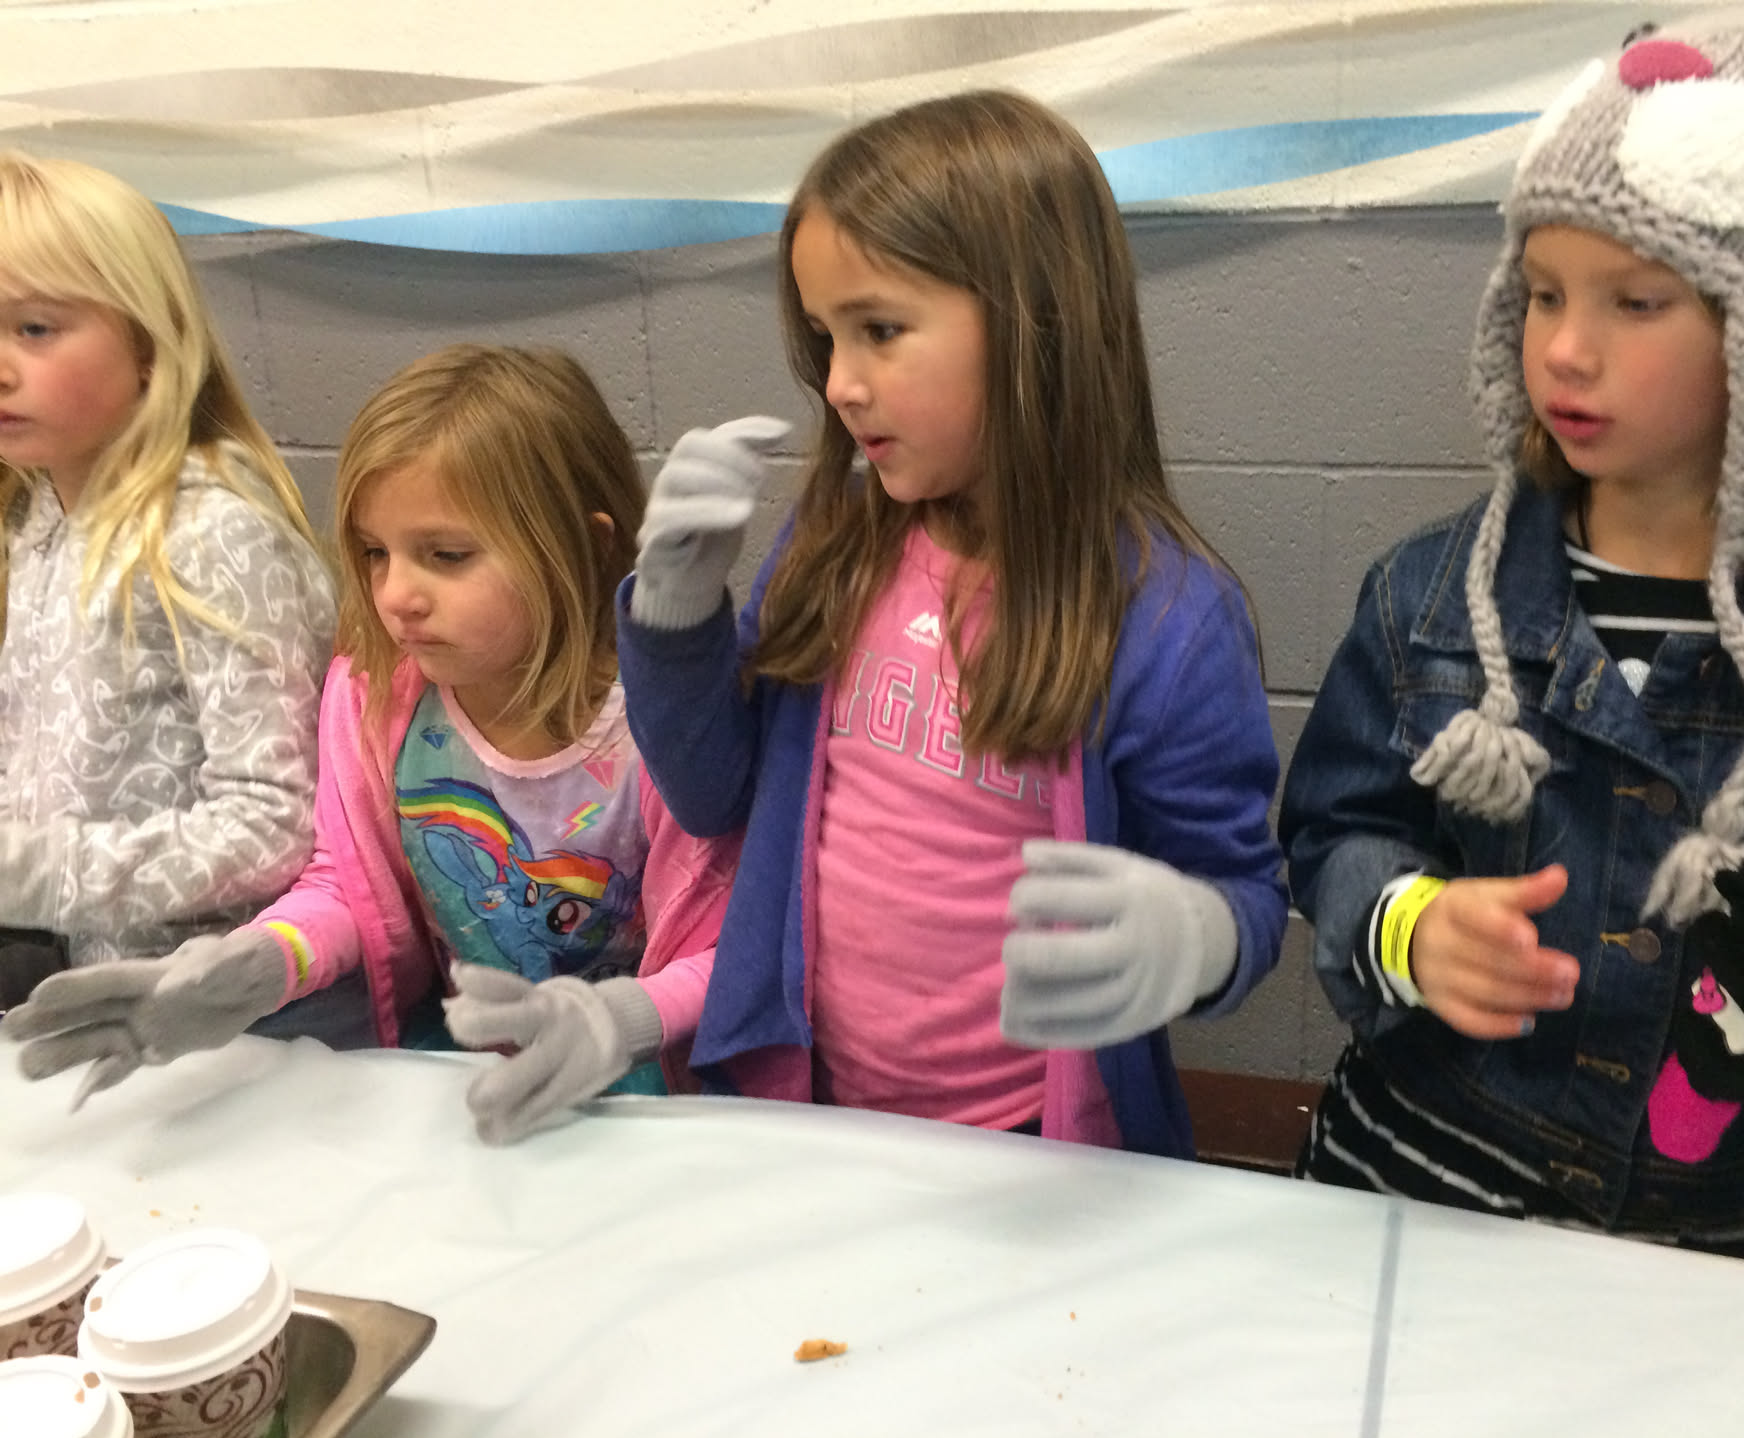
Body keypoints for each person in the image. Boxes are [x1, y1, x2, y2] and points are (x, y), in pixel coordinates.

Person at [1280, 17, 1744, 1272]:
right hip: (1427, 1175)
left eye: (1636, 301)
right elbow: (1334, 832)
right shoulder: (1428, 598)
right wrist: (1410, 928)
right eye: (1543, 294)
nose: (1566, 348)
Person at [618, 91, 1286, 1157]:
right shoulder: (837, 542)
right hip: (813, 1112)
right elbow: (711, 795)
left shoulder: (1168, 619)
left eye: (879, 331)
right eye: (826, 339)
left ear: (1035, 324)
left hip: (1029, 1153)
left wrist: (1198, 937)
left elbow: (1244, 896)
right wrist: (676, 612)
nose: (840, 384)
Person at [7, 345, 738, 1144]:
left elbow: (735, 946)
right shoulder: (377, 695)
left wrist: (619, 1019)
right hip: (455, 1078)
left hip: (641, 1093)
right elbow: (350, 885)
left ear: (587, 545)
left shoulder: (665, 727)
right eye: (374, 552)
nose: (396, 595)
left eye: (446, 555)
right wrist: (263, 960)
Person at [0, 151, 335, 1008]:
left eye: (34, 328)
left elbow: (273, 826)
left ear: (149, 346)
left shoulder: (214, 533)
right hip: (86, 989)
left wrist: (32, 874)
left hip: (222, 1011)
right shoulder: (40, 514)